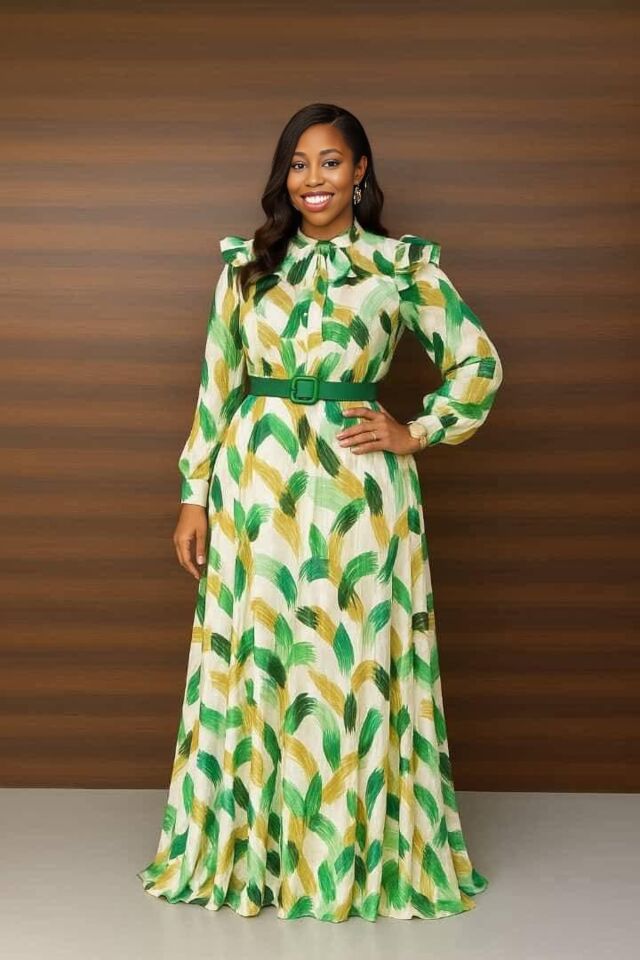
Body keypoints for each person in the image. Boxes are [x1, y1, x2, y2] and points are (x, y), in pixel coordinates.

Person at [136, 102, 503, 923]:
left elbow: (477, 363)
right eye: (299, 164)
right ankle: (250, 858)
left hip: (357, 490)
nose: (313, 179)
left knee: (350, 665)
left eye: (331, 162)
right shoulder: (246, 267)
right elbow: (216, 386)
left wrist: (417, 430)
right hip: (256, 485)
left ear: (360, 171)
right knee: (260, 657)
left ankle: (347, 859)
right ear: (284, 175)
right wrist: (194, 494)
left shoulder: (399, 267)